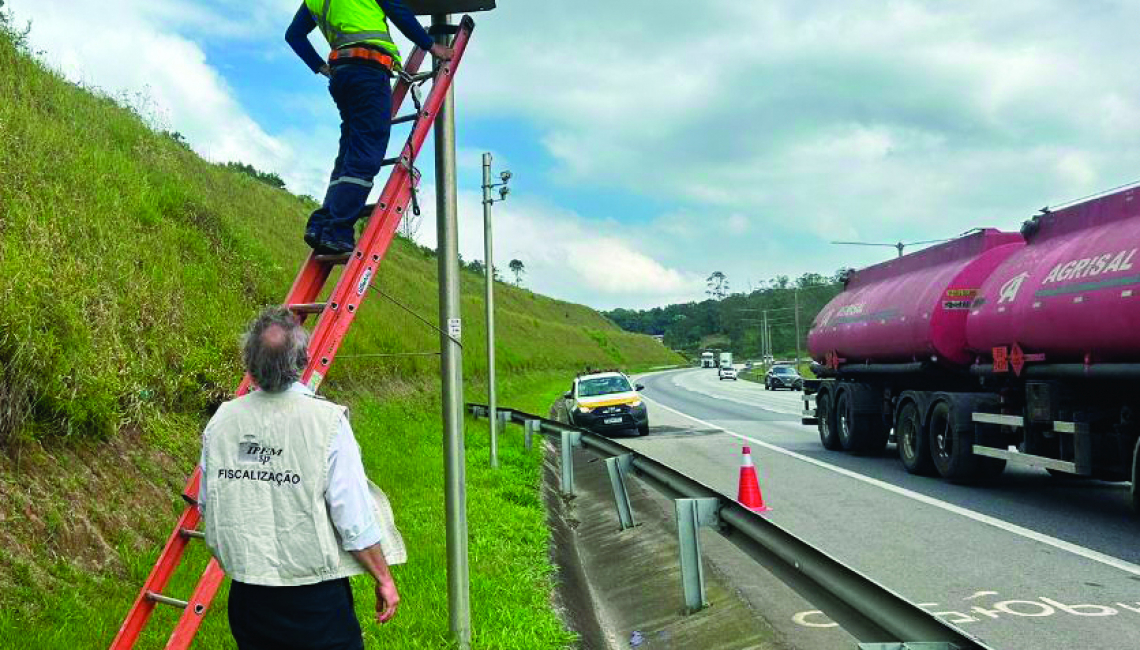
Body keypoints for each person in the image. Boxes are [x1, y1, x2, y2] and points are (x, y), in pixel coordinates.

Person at [200, 307, 402, 649]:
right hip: (314, 600)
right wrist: (383, 577)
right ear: (303, 360)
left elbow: (209, 504)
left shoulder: (223, 421)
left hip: (249, 597)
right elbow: (352, 517)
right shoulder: (327, 423)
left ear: (248, 364)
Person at [286, 0, 453, 254]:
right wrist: (432, 47)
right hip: (369, 70)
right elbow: (398, 10)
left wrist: (321, 67)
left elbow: (294, 35)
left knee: (349, 155)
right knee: (365, 155)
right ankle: (337, 231)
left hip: (342, 72)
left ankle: (321, 225)